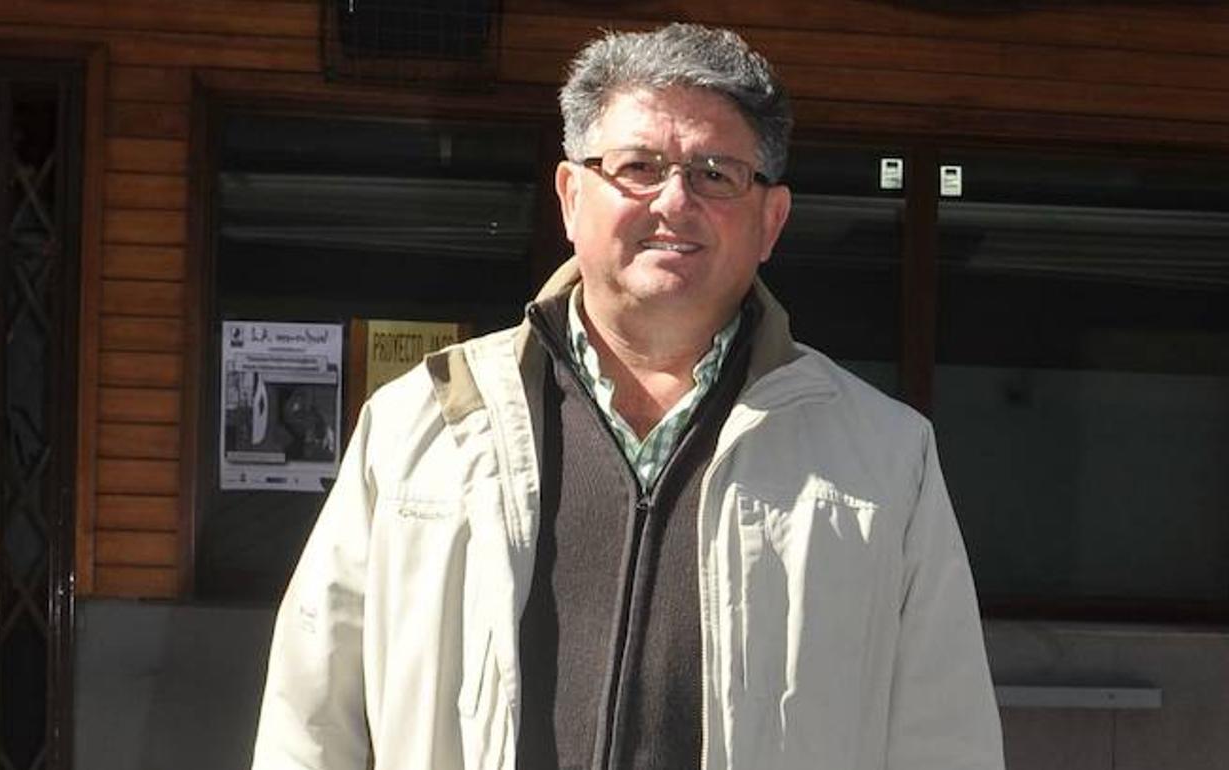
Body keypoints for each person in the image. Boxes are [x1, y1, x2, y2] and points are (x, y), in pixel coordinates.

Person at [252, 23, 1004, 770]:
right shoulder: (421, 423)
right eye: (639, 167)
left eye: (716, 173)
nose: (674, 201)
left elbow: (944, 737)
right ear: (571, 195)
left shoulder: (883, 457)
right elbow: (311, 718)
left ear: (771, 220)